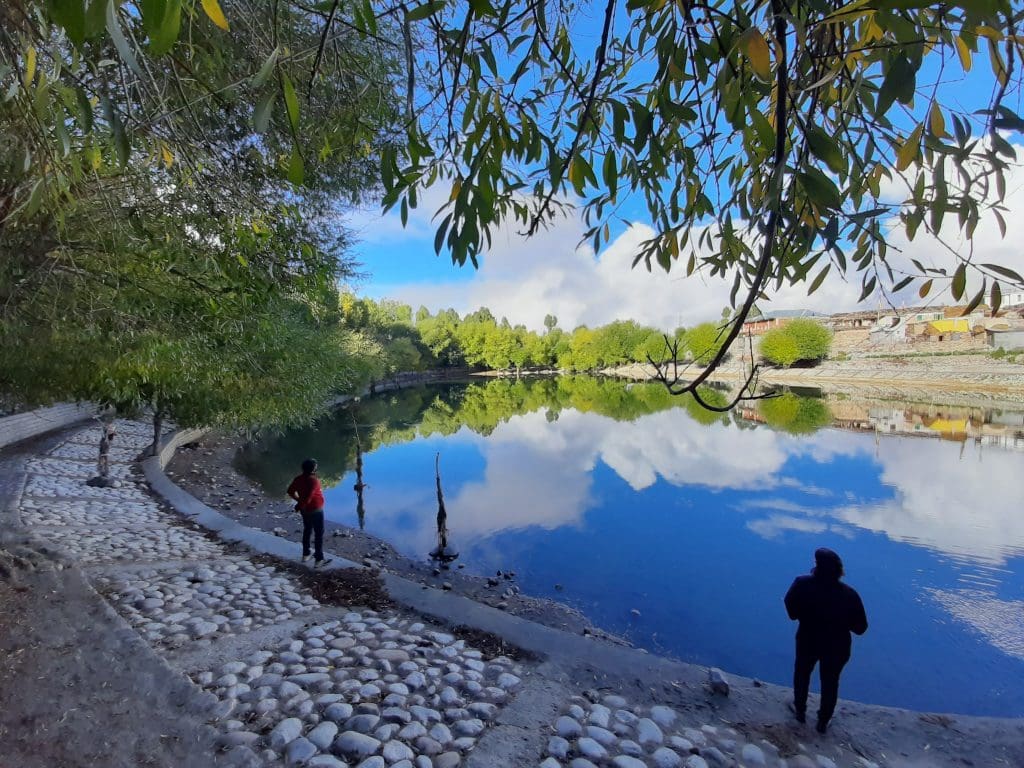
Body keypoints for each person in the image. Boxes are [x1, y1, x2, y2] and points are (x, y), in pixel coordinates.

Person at [784, 547, 868, 734]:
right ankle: (823, 721)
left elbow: (791, 609)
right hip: (837, 647)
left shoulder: (801, 584)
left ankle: (800, 711)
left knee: (802, 674)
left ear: (817, 567)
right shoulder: (850, 595)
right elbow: (860, 628)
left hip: (807, 640)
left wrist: (803, 614)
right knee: (830, 681)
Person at [287, 458, 332, 568]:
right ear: (313, 469)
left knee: (307, 530)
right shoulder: (313, 480)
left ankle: (306, 554)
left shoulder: (298, 479)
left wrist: (299, 502)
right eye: (315, 467)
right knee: (318, 534)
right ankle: (319, 560)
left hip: (305, 510)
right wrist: (299, 505)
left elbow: (290, 491)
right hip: (315, 510)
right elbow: (309, 498)